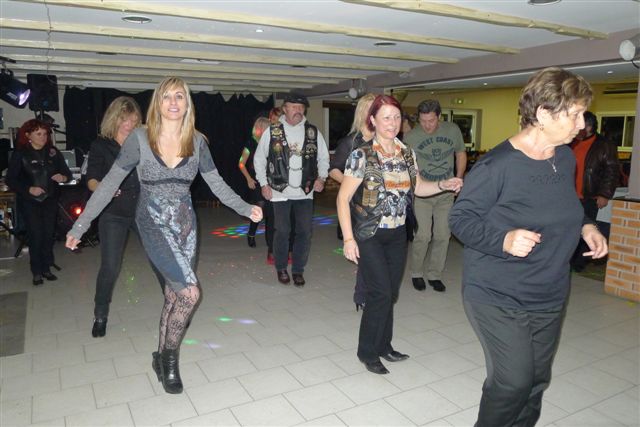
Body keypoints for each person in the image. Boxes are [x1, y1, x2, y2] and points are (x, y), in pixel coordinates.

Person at [66, 77, 262, 394]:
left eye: (179, 96)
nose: (173, 102)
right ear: (158, 103)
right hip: (152, 219)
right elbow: (108, 183)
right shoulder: (140, 139)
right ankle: (170, 360)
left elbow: (217, 183)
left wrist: (244, 207)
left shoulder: (197, 141)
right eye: (166, 96)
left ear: (187, 104)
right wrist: (80, 225)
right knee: (189, 293)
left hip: (185, 224)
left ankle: (158, 357)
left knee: (173, 294)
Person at [449, 67, 608, 427]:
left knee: (536, 381)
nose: (582, 124)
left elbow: (565, 204)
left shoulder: (563, 158)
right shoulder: (497, 165)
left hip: (549, 292)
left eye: (583, 114)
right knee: (513, 383)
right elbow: (460, 219)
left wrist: (586, 226)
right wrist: (503, 239)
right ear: (543, 114)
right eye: (574, 114)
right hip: (497, 292)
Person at [337, 95, 462, 375]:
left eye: (396, 117)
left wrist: (442, 184)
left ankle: (384, 345)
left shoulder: (407, 153)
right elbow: (342, 198)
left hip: (397, 233)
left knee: (390, 293)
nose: (392, 123)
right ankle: (367, 351)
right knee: (380, 292)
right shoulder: (362, 155)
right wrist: (348, 239)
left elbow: (418, 188)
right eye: (386, 117)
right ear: (373, 120)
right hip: (369, 233)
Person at [254, 93, 329, 287]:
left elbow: (323, 157)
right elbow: (259, 159)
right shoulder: (272, 131)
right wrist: (263, 184)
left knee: (304, 232)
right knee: (282, 231)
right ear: (285, 109)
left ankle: (298, 270)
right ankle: (281, 267)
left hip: (305, 191)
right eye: (293, 106)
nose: (297, 110)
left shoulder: (313, 132)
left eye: (301, 107)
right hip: (279, 190)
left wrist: (321, 178)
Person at [85, 96, 143, 338]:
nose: (129, 125)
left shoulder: (141, 142)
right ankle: (100, 314)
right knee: (110, 266)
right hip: (113, 213)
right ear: (114, 119)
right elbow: (91, 180)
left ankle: (177, 307)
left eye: (133, 120)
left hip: (141, 210)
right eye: (124, 120)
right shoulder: (101, 145)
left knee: (160, 259)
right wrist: (104, 188)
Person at [404, 99, 467, 292]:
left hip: (446, 193)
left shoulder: (452, 130)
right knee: (423, 235)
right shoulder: (411, 137)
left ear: (439, 117)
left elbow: (460, 153)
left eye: (431, 120)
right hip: (422, 194)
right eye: (423, 121)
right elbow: (407, 167)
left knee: (443, 235)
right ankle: (416, 272)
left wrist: (458, 178)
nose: (427, 125)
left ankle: (435, 274)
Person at [7, 119, 72, 285]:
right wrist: (29, 189)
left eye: (45, 134)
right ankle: (36, 270)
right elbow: (10, 179)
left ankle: (46, 267)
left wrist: (63, 177)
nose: (43, 137)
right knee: (36, 234)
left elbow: (67, 174)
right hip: (30, 201)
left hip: (50, 199)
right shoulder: (20, 154)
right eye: (38, 134)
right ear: (28, 135)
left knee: (48, 234)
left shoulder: (53, 152)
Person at [329, 93, 375, 309]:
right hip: (358, 206)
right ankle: (362, 294)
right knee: (367, 252)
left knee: (376, 253)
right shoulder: (351, 141)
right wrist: (352, 182)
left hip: (380, 207)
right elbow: (333, 170)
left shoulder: (386, 140)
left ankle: (370, 291)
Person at [570, 110, 619, 272]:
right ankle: (568, 261)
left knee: (587, 230)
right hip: (569, 196)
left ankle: (578, 264)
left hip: (589, 196)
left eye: (580, 124)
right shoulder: (570, 142)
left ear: (590, 126)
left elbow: (612, 171)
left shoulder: (604, 145)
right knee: (569, 230)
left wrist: (604, 194)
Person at [239, 116, 271, 249]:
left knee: (271, 209)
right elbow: (241, 163)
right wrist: (248, 179)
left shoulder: (270, 143)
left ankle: (270, 237)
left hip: (270, 180)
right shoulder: (251, 143)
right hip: (256, 181)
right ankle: (251, 233)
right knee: (260, 207)